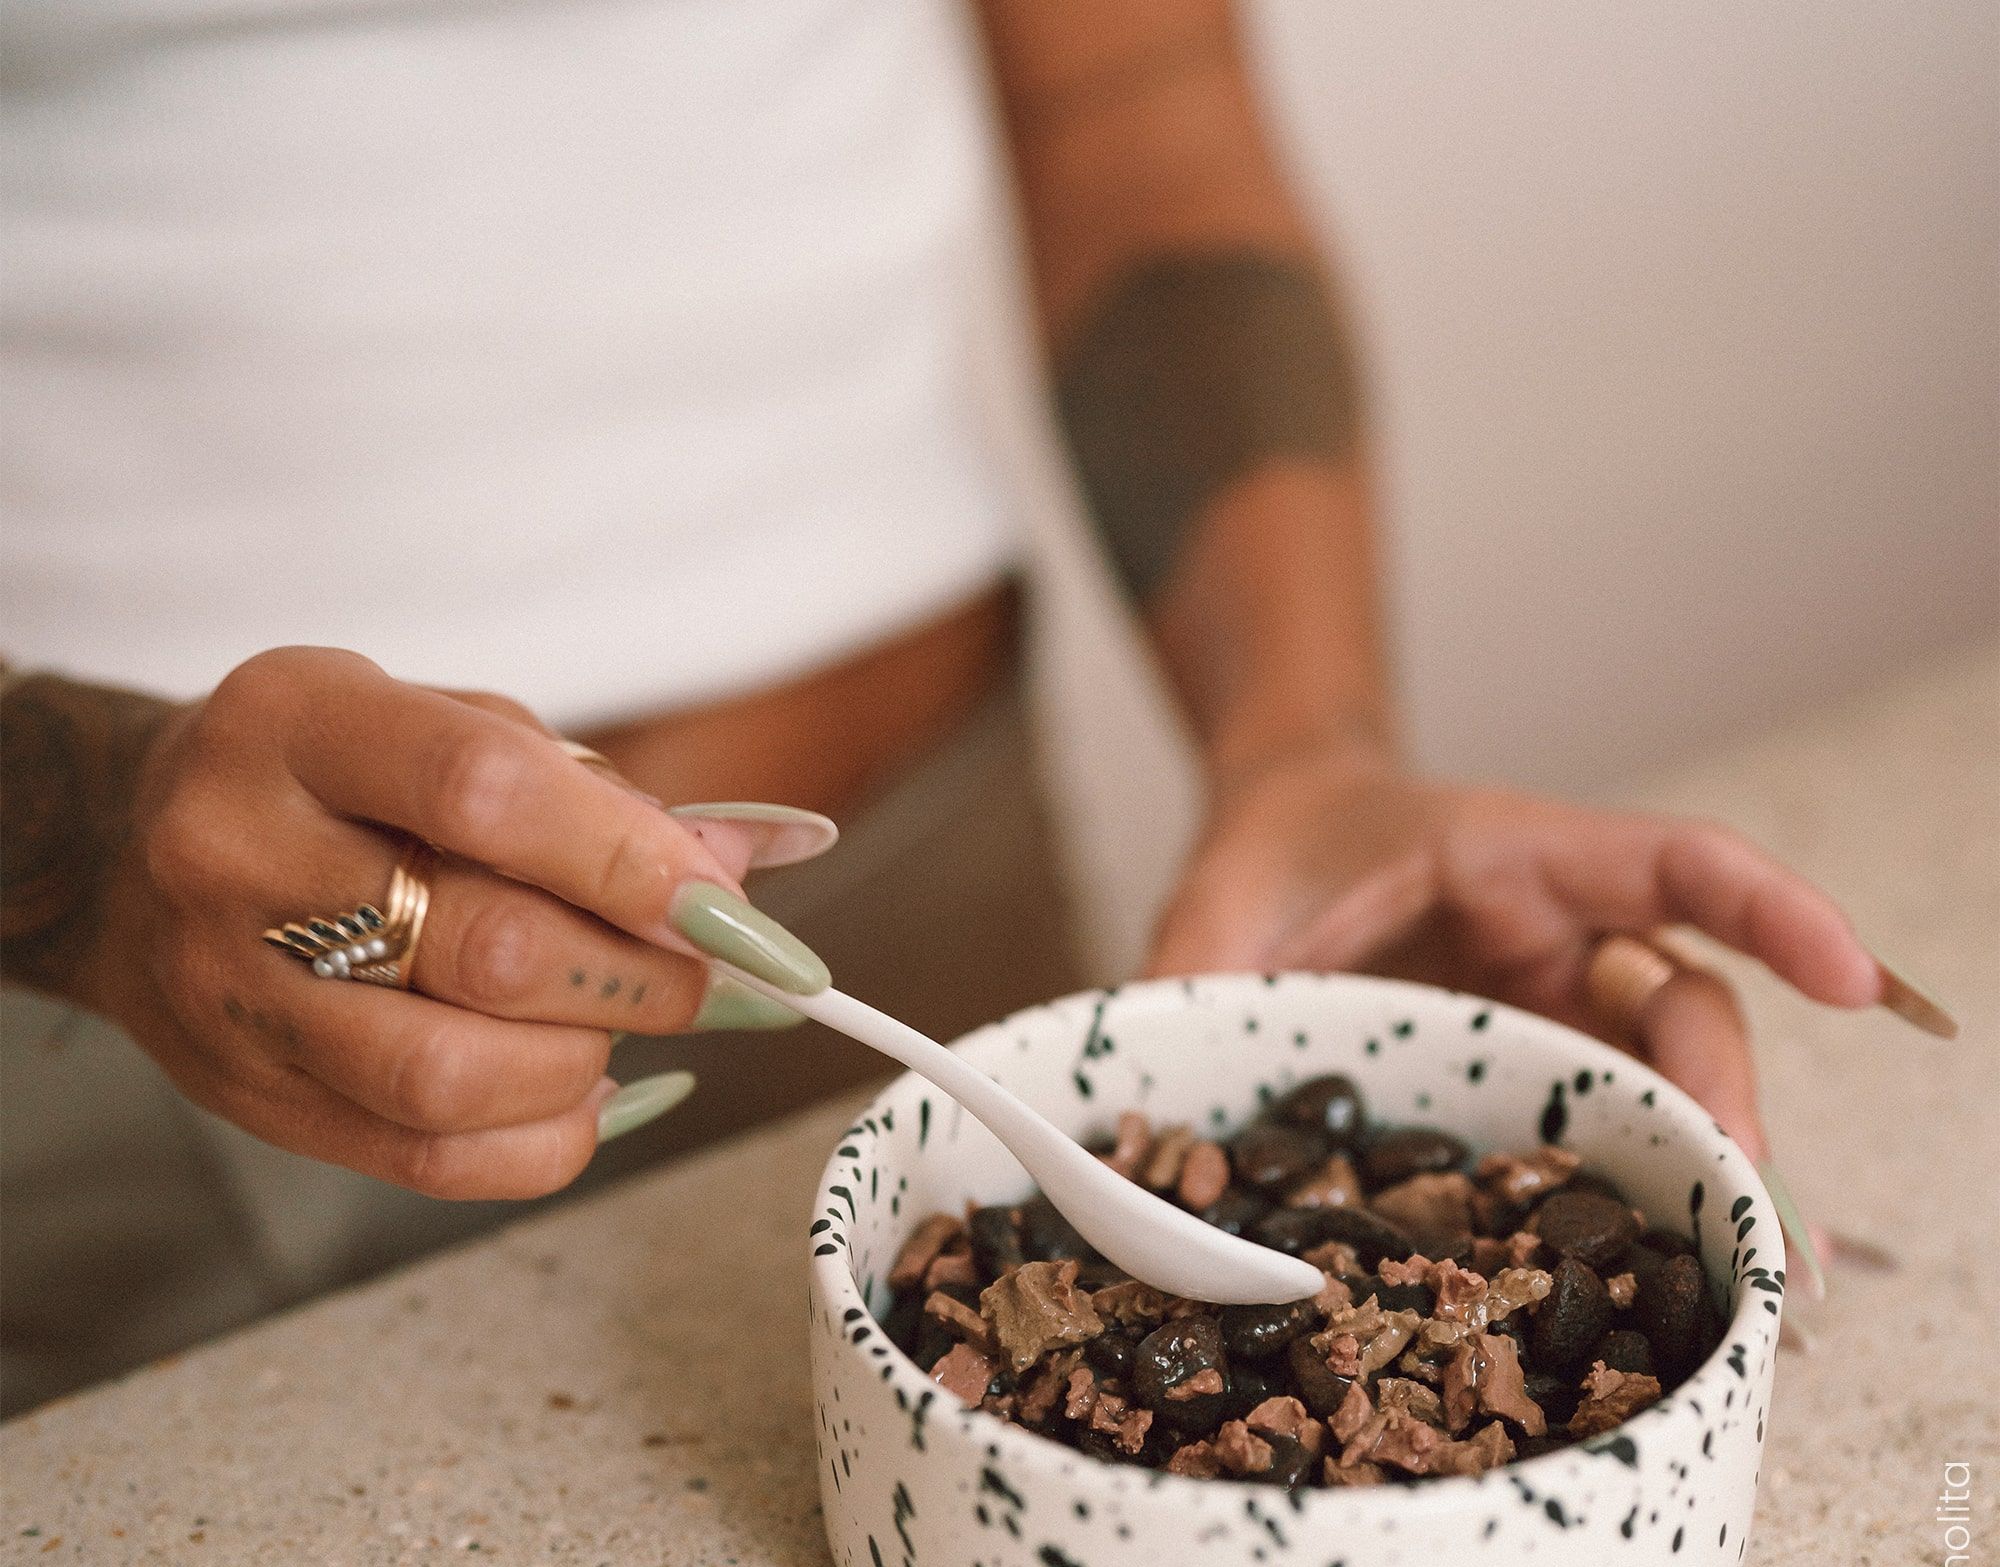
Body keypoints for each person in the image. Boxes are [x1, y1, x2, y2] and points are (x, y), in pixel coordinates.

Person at [0, 0, 1935, 1410]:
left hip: (916, 912)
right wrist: (83, 848)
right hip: (103, 1040)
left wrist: (1306, 743)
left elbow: (1132, 92)